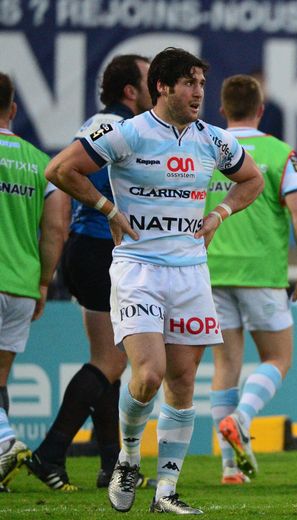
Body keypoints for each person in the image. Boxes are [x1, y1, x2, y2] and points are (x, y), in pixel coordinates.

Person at [44, 47, 264, 514]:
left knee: (182, 382)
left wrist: (220, 213)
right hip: (138, 268)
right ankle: (126, 455)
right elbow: (60, 170)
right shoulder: (126, 132)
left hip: (190, 274)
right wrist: (108, 209)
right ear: (161, 87)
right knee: (148, 375)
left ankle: (166, 491)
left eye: (202, 84)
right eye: (188, 83)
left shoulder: (213, 140)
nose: (198, 92)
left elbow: (252, 180)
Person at [24, 54, 155, 492]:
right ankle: (51, 450)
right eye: (148, 77)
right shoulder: (113, 125)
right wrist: (108, 211)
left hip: (91, 249)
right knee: (112, 360)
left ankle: (110, 465)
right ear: (130, 91)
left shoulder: (108, 124)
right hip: (100, 249)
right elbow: (61, 172)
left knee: (111, 364)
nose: (158, 85)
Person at [206, 74, 297, 485]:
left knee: (225, 366)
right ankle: (243, 417)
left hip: (212, 270)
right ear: (260, 108)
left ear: (221, 109)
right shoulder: (277, 152)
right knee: (278, 358)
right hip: (262, 272)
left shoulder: (206, 148)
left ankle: (230, 469)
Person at [0, 72, 70, 492]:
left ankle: (6, 441)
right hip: (22, 286)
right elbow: (56, 228)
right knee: (0, 380)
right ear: (13, 109)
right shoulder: (37, 161)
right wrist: (44, 281)